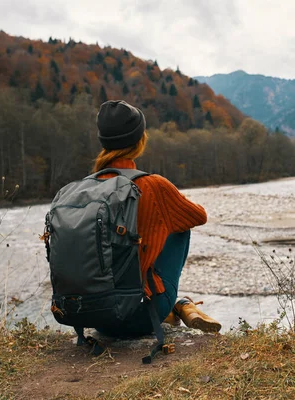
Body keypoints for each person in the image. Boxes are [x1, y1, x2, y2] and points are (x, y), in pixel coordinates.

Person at [92, 100, 221, 337]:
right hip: (138, 317)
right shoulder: (152, 185)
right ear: (139, 141)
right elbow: (198, 215)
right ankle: (176, 303)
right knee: (181, 228)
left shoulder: (85, 189)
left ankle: (176, 306)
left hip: (94, 316)